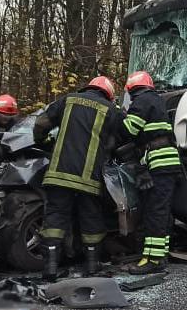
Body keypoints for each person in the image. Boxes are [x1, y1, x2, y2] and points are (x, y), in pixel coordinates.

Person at [33, 76, 123, 280]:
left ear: (88, 87)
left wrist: (44, 142)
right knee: (91, 219)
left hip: (59, 173)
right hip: (89, 178)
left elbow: (41, 123)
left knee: (55, 219)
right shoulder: (110, 110)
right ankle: (92, 267)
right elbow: (115, 141)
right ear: (108, 94)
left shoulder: (68, 100)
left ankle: (50, 268)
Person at [121, 70, 181, 275]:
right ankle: (158, 255)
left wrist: (118, 117)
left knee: (155, 212)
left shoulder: (142, 101)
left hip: (160, 163)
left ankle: (153, 261)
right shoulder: (155, 100)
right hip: (167, 162)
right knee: (161, 211)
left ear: (131, 88)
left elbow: (129, 130)